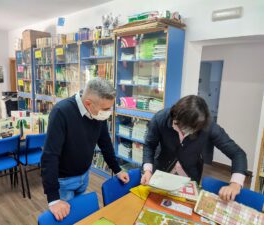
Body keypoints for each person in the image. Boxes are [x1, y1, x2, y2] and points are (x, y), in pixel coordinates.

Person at [41, 78, 130, 221]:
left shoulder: (97, 113)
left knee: (80, 217)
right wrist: (53, 199)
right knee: (66, 219)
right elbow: (50, 156)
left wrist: (117, 169)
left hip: (84, 176)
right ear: (88, 103)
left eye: (110, 108)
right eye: (106, 109)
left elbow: (105, 143)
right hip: (64, 181)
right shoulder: (61, 112)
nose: (108, 112)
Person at [141, 95, 247, 201]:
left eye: (189, 129)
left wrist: (235, 183)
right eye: (179, 126)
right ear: (174, 115)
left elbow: (237, 153)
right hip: (162, 170)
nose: (183, 132)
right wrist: (147, 171)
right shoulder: (160, 118)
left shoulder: (209, 126)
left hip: (189, 173)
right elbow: (149, 145)